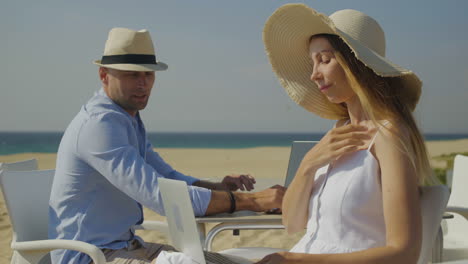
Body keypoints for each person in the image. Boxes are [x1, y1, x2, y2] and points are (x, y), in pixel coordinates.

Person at [49, 27, 285, 264]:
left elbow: (168, 178)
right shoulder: (99, 125)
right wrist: (254, 201)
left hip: (127, 246)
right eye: (132, 75)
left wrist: (219, 189)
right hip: (90, 256)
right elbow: (160, 196)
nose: (143, 84)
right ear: (104, 75)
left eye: (148, 74)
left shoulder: (126, 119)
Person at [257, 4, 436, 264]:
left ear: (357, 65)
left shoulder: (389, 135)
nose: (314, 74)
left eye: (325, 60)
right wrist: (309, 163)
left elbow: (404, 253)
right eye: (312, 62)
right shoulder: (339, 133)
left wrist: (293, 261)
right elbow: (292, 222)